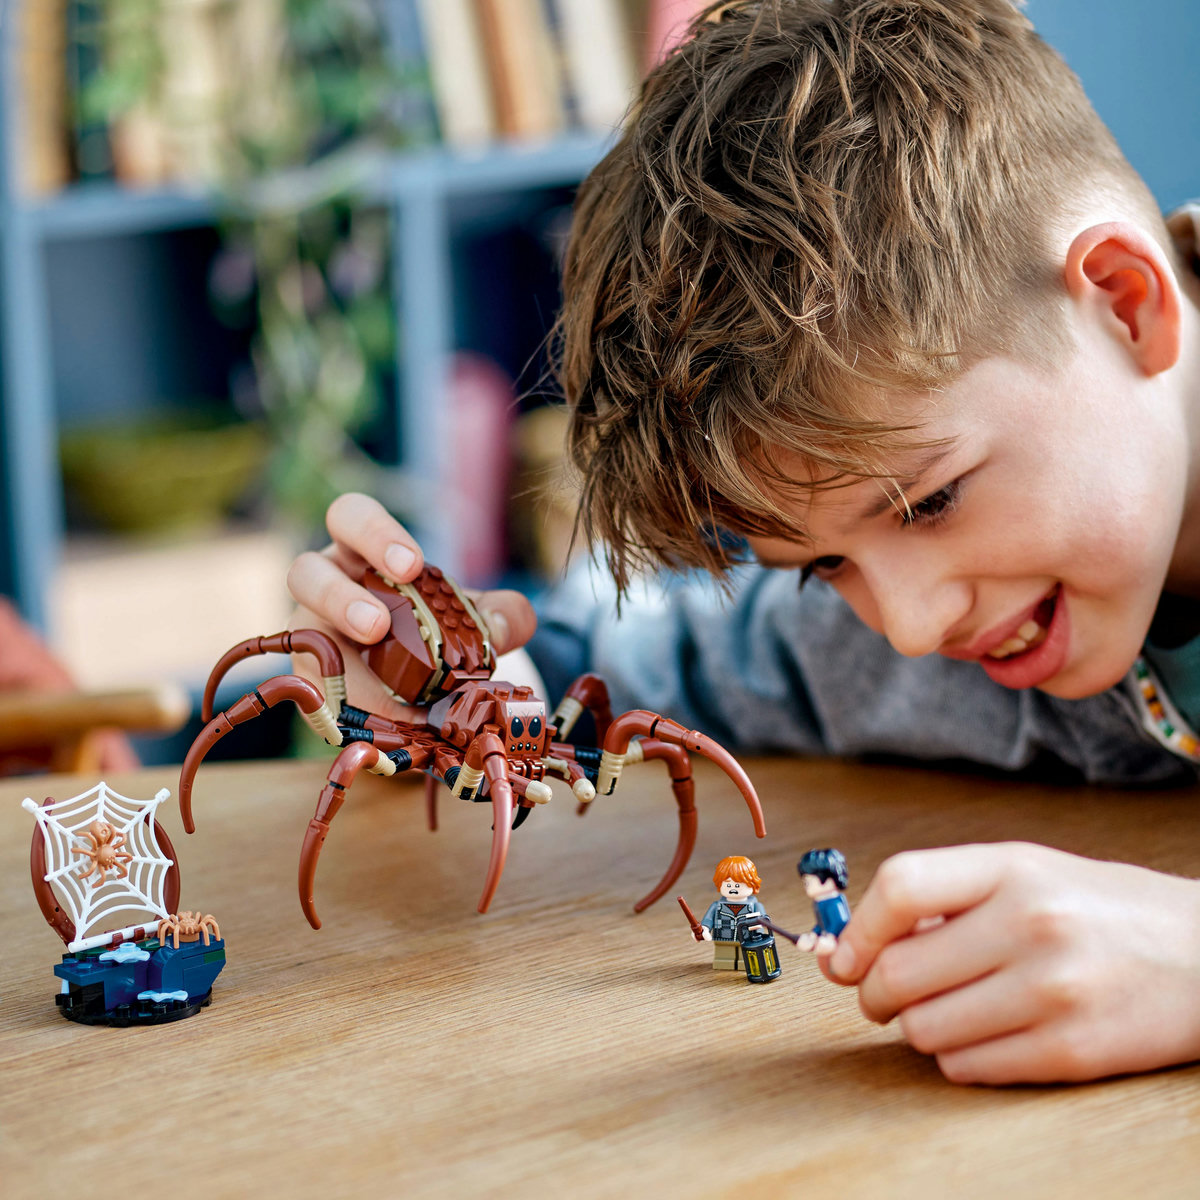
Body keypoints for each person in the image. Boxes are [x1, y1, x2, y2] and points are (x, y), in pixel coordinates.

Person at [285, 1, 1200, 1085]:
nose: (908, 629)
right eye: (825, 567)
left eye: (930, 503)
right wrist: (439, 678)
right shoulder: (924, 616)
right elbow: (625, 663)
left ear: (1124, 304)